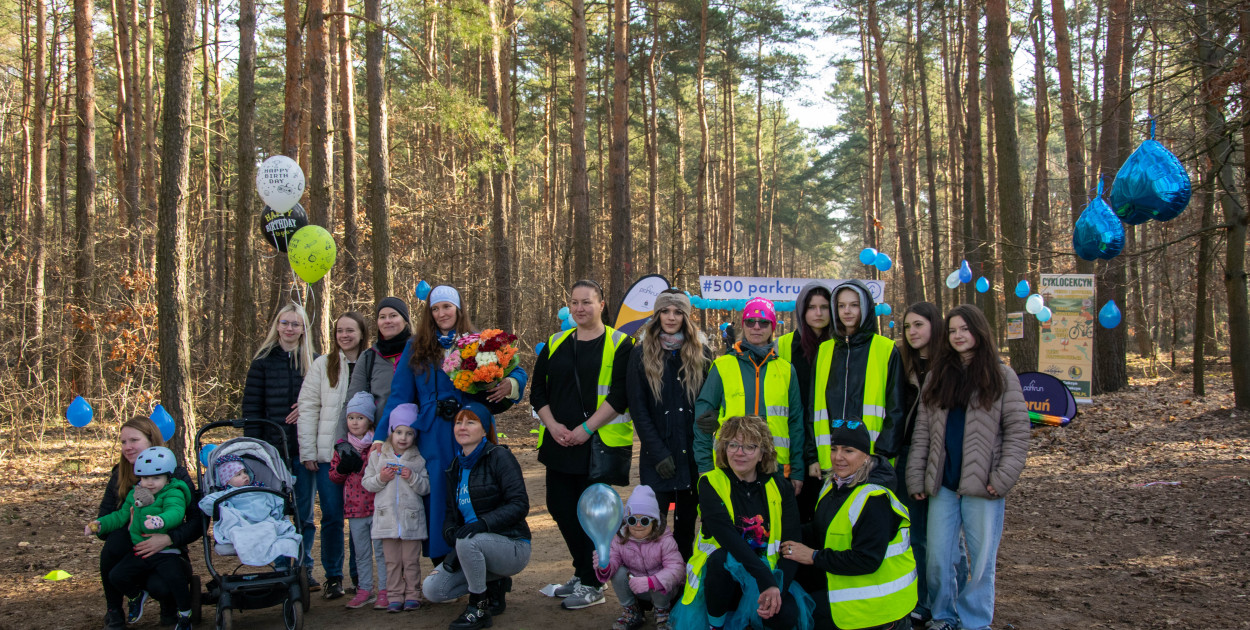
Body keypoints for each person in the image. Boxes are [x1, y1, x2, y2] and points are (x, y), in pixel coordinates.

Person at [377, 285, 528, 565]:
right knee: (438, 490)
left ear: (458, 309)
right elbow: (399, 396)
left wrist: (511, 383)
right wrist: (379, 436)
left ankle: (484, 554)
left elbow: (515, 367)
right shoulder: (416, 345)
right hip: (433, 432)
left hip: (471, 426)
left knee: (477, 486)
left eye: (447, 306)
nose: (441, 313)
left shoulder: (477, 341)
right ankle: (443, 560)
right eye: (435, 309)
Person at [906, 304, 1030, 630]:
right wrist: (917, 477)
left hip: (983, 486)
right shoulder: (937, 377)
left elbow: (1018, 431)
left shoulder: (1001, 376)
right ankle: (943, 616)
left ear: (979, 331)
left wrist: (1002, 478)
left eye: (965, 329)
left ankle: (975, 622)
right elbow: (922, 432)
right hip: (944, 485)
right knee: (937, 558)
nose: (958, 336)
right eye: (952, 331)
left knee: (982, 560)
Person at [530, 279, 634, 610]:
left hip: (597, 445)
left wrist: (586, 429)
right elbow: (538, 391)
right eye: (574, 302)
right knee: (560, 507)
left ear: (601, 305)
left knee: (593, 517)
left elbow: (621, 394)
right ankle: (582, 571)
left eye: (586, 302)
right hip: (559, 442)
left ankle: (594, 583)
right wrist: (553, 425)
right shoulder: (555, 342)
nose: (579, 308)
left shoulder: (622, 344)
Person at [783, 421, 917, 630]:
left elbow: (867, 559)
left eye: (848, 450)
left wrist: (813, 556)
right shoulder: (834, 484)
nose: (838, 457)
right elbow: (822, 529)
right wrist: (782, 535)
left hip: (877, 604)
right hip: (852, 586)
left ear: (866, 456)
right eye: (834, 449)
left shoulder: (874, 498)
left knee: (789, 614)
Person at [678, 415, 803, 630]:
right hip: (721, 580)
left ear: (763, 453)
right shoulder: (711, 482)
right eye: (733, 445)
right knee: (720, 559)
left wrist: (777, 589)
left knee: (785, 616)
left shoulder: (780, 486)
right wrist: (765, 579)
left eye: (749, 446)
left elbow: (792, 543)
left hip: (767, 575)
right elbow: (728, 538)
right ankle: (715, 626)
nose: (739, 452)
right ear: (724, 449)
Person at [424, 402, 532, 630]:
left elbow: (519, 504)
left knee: (468, 541)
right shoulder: (455, 466)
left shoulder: (499, 456)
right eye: (458, 422)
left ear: (484, 429)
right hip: (472, 546)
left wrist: (483, 524)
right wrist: (450, 532)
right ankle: (495, 582)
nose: (462, 427)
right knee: (433, 589)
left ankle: (479, 608)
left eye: (471, 422)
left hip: (512, 544)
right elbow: (451, 514)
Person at [625, 289, 711, 560]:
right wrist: (658, 452)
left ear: (686, 316)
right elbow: (639, 410)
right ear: (657, 315)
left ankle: (681, 579)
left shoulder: (702, 353)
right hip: (657, 457)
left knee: (686, 527)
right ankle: (654, 581)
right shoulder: (640, 355)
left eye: (677, 312)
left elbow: (710, 402)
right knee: (654, 527)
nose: (671, 317)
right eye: (665, 311)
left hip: (692, 456)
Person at [94, 417, 203, 630]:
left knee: (161, 586)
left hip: (167, 550)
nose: (127, 447)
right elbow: (104, 523)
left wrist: (168, 538)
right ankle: (114, 610)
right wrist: (129, 524)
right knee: (114, 543)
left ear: (152, 441)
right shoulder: (120, 474)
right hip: (132, 551)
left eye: (134, 440)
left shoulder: (175, 475)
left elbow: (197, 521)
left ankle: (170, 606)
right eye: (123, 442)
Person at [693, 297, 806, 493]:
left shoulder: (786, 370)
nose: (756, 327)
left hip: (775, 467)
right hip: (730, 465)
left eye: (764, 322)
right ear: (743, 325)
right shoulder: (722, 366)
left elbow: (796, 423)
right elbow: (702, 420)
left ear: (772, 327)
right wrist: (705, 465)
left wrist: (797, 470)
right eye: (750, 321)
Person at [242, 303, 318, 586]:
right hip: (271, 452)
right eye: (285, 323)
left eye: (295, 324)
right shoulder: (262, 361)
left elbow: (325, 402)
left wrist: (307, 407)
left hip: (303, 449)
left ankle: (304, 566)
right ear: (277, 325)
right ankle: (280, 568)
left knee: (304, 514)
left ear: (303, 329)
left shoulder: (313, 361)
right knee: (275, 512)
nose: (289, 328)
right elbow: (251, 409)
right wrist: (255, 451)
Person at [296, 311, 367, 599]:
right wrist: (308, 450)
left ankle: (360, 577)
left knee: (360, 518)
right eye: (340, 330)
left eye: (350, 330)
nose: (345, 335)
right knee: (332, 517)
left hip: (363, 456)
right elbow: (308, 407)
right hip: (329, 455)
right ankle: (333, 576)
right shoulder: (323, 365)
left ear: (362, 333)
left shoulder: (370, 362)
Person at [809, 281, 904, 477]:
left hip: (872, 462)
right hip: (831, 460)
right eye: (841, 306)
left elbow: (896, 410)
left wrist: (881, 456)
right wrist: (812, 456)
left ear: (866, 307)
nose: (847, 311)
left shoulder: (885, 349)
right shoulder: (825, 350)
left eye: (854, 305)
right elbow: (813, 408)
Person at [893, 301, 942, 625]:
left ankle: (937, 602)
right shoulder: (902, 362)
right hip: (906, 453)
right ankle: (918, 599)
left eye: (919, 325)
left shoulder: (948, 365)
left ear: (934, 326)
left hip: (939, 455)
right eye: (907, 326)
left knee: (940, 537)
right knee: (913, 532)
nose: (912, 332)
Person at [362, 403, 431, 612]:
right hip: (387, 520)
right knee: (391, 562)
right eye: (399, 432)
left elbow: (426, 487)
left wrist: (413, 477)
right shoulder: (378, 456)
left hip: (411, 520)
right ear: (391, 431)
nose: (403, 438)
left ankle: (413, 594)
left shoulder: (419, 458)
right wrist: (381, 478)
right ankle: (394, 596)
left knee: (410, 561)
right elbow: (367, 483)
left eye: (409, 433)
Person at [774, 282, 834, 522]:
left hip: (831, 444)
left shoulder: (841, 346)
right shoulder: (784, 345)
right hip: (795, 443)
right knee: (798, 516)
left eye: (824, 307)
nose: (818, 313)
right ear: (801, 310)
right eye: (811, 307)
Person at [592, 485, 685, 630]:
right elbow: (614, 559)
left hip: (663, 592)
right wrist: (604, 565)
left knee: (661, 574)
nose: (638, 525)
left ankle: (662, 612)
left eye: (645, 521)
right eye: (632, 520)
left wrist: (652, 582)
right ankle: (632, 611)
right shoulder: (620, 538)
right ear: (626, 521)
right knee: (618, 572)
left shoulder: (665, 540)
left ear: (654, 521)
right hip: (636, 588)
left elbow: (677, 569)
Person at [329, 391, 388, 610]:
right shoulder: (343, 447)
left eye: (360, 418)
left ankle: (385, 590)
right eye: (351, 417)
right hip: (354, 509)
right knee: (361, 553)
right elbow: (334, 476)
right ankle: (365, 589)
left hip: (377, 506)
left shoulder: (378, 445)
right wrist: (342, 469)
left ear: (370, 420)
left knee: (381, 552)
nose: (354, 422)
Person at [197, 456, 301, 567]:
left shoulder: (260, 489)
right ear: (226, 481)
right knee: (241, 531)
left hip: (264, 520)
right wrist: (220, 505)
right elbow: (205, 504)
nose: (244, 476)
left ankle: (282, 566)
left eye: (245, 472)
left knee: (272, 526)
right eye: (238, 474)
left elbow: (276, 501)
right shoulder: (225, 494)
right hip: (242, 523)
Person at [339, 296, 412, 439]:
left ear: (405, 319)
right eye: (382, 317)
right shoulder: (369, 357)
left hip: (413, 436)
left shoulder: (419, 352)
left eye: (393, 316)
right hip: (377, 439)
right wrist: (341, 441)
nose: (387, 321)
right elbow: (351, 401)